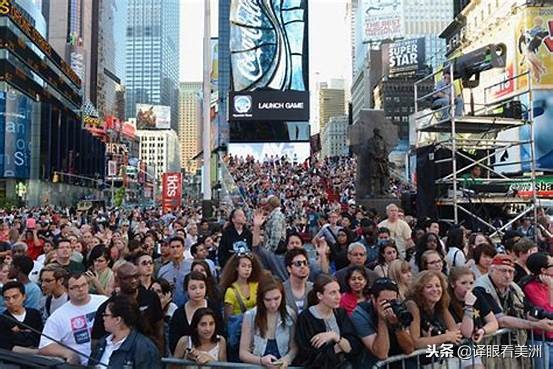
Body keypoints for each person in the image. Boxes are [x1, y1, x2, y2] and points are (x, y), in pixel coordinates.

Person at [473, 254, 553, 369]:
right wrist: (535, 325)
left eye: (511, 272)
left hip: (512, 344)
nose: (507, 275)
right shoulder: (481, 288)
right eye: (503, 271)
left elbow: (527, 310)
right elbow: (501, 320)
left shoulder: (514, 287)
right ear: (491, 270)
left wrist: (543, 318)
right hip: (490, 345)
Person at [92, 262, 165, 354]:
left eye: (136, 276)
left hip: (147, 350)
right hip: (119, 354)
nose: (133, 281)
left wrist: (160, 352)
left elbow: (159, 327)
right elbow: (96, 340)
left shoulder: (151, 297)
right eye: (127, 278)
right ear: (117, 280)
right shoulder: (108, 306)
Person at [38, 272, 108, 365]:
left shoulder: (104, 302)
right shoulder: (58, 316)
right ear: (66, 290)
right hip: (81, 364)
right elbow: (44, 345)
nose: (81, 289)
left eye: (84, 285)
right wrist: (67, 353)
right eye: (74, 287)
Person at [295, 274, 361, 369]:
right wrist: (337, 348)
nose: (338, 296)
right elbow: (309, 356)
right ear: (320, 295)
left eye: (338, 291)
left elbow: (352, 347)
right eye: (332, 293)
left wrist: (334, 336)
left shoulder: (341, 313)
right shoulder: (305, 318)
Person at [351, 278, 414, 369]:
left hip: (398, 362)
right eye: (384, 301)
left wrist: (397, 325)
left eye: (392, 301)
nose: (389, 306)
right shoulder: (359, 314)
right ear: (373, 299)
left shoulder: (400, 309)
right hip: (371, 363)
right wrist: (382, 320)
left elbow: (409, 349)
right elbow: (381, 354)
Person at [88, 294, 162, 369]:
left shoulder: (145, 348)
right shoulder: (102, 343)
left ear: (117, 320)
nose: (103, 318)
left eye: (106, 315)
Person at [239, 277, 297, 368]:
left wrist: (287, 359)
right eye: (268, 300)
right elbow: (243, 352)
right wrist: (261, 361)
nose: (273, 304)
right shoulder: (250, 315)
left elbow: (293, 347)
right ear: (261, 299)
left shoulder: (290, 314)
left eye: (276, 298)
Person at [448, 267, 499, 369]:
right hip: (450, 350)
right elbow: (466, 332)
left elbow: (493, 323)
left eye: (471, 283)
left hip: (468, 348)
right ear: (453, 284)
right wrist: (469, 306)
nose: (468, 287)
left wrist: (483, 330)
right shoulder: (447, 299)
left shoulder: (476, 294)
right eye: (463, 283)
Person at [405, 271, 462, 357]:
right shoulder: (412, 305)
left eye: (438, 286)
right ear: (420, 290)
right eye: (429, 286)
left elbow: (455, 333)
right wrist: (445, 337)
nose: (435, 290)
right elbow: (415, 342)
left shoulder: (440, 304)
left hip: (440, 357)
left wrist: (433, 339)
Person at [220, 252, 263, 361]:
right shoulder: (230, 291)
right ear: (236, 268)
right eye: (243, 266)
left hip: (256, 330)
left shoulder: (256, 286)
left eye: (249, 266)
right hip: (238, 332)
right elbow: (228, 318)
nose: (247, 269)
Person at [168, 271, 224, 354]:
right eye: (193, 288)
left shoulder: (214, 308)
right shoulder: (179, 314)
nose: (198, 291)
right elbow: (173, 342)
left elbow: (221, 332)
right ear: (186, 290)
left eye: (201, 287)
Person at [522, 252, 553, 369]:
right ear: (543, 270)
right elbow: (549, 312)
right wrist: (551, 288)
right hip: (540, 340)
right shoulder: (530, 287)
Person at [0, 281, 43, 351]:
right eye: (7, 298)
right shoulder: (3, 319)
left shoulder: (34, 314)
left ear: (24, 297)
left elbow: (40, 337)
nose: (11, 301)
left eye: (15, 297)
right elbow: (7, 346)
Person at [157, 236, 188, 306]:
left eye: (178, 246)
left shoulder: (191, 267)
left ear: (183, 248)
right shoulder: (163, 271)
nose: (175, 249)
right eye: (172, 247)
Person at [283, 248, 313, 316]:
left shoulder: (313, 289)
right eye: (298, 263)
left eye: (305, 263)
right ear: (289, 269)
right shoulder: (281, 290)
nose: (302, 266)